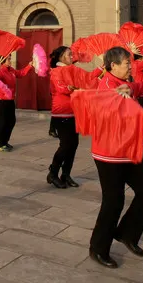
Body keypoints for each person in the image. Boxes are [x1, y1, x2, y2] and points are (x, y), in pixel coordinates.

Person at [80, 46, 143, 269]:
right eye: (127, 63)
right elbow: (100, 111)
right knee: (114, 201)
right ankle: (98, 248)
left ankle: (127, 233)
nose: (130, 66)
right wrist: (118, 99)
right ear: (112, 66)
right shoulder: (106, 86)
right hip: (109, 154)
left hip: (127, 151)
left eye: (130, 62)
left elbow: (139, 86)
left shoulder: (123, 84)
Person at [47, 45, 86, 189]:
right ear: (61, 57)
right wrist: (72, 87)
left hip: (73, 111)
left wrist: (102, 69)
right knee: (65, 145)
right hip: (61, 112)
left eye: (72, 54)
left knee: (73, 145)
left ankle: (66, 174)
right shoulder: (56, 71)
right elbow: (60, 88)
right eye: (69, 54)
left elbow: (87, 79)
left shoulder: (72, 70)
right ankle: (53, 173)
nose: (72, 57)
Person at [0, 56, 34, 152]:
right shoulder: (0, 70)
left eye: (10, 58)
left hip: (10, 99)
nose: (10, 60)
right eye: (9, 59)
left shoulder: (10, 70)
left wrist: (29, 66)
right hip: (0, 99)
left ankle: (5, 141)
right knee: (1, 122)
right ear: (2, 61)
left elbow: (20, 73)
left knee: (11, 121)